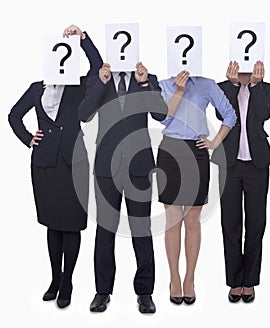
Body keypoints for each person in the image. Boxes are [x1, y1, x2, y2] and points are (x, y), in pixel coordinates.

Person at [8, 24, 103, 309]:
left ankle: (68, 282)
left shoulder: (78, 87)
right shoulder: (37, 88)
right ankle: (54, 278)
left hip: (73, 163)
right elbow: (13, 115)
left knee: (71, 225)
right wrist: (28, 139)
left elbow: (98, 67)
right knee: (52, 224)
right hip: (45, 164)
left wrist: (83, 38)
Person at [77, 62, 168, 313]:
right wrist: (102, 83)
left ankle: (145, 293)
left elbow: (161, 114)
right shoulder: (98, 79)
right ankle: (102, 292)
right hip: (107, 168)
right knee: (105, 231)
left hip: (139, 166)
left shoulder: (148, 79)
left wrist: (144, 82)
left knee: (142, 230)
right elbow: (83, 114)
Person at [156, 70, 237, 305]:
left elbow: (230, 115)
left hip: (197, 151)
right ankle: (174, 278)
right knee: (173, 220)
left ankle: (190, 278)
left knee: (192, 220)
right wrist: (179, 91)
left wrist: (214, 142)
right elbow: (162, 119)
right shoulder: (163, 84)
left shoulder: (207, 85)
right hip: (170, 150)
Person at [211, 60, 270, 303]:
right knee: (230, 222)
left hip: (257, 164)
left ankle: (249, 281)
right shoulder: (223, 87)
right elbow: (222, 115)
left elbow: (263, 115)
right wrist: (232, 85)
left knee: (256, 222)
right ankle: (234, 281)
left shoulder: (266, 88)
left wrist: (255, 86)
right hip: (230, 163)